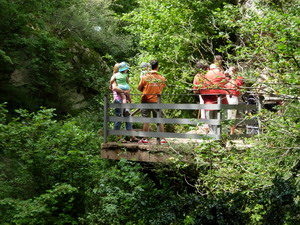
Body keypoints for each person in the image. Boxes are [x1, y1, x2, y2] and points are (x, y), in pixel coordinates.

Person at [137, 60, 166, 144]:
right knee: (159, 119)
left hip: (145, 100)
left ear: (150, 66)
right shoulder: (161, 78)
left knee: (146, 120)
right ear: (158, 66)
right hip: (157, 100)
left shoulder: (145, 77)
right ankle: (163, 138)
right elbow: (162, 87)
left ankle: (145, 139)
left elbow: (139, 88)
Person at [200, 59, 228, 135]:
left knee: (211, 122)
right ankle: (221, 138)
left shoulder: (204, 75)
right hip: (221, 101)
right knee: (222, 120)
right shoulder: (220, 73)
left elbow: (199, 87)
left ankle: (213, 138)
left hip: (209, 102)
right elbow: (226, 82)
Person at [225, 66, 244, 135]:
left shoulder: (238, 79)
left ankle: (231, 133)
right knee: (228, 116)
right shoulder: (228, 79)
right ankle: (228, 132)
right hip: (226, 98)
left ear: (233, 71)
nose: (228, 72)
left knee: (231, 116)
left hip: (233, 98)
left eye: (229, 71)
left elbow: (238, 86)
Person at [193, 61, 210, 133]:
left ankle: (206, 127)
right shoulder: (209, 74)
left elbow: (195, 90)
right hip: (213, 94)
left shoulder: (197, 76)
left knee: (204, 110)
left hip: (203, 95)